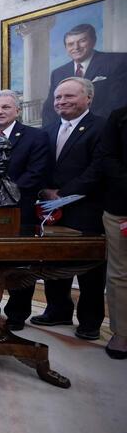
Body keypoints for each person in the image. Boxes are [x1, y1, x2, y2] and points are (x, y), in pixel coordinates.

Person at [31, 77, 106, 340]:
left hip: (86, 209)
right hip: (51, 210)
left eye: (69, 97)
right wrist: (44, 191)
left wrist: (63, 193)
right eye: (58, 97)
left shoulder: (101, 127)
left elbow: (98, 169)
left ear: (88, 98)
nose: (61, 101)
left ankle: (90, 321)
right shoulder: (47, 131)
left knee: (91, 270)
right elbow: (38, 167)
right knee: (54, 262)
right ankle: (57, 310)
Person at [0, 90, 52, 330]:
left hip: (19, 212)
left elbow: (36, 174)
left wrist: (3, 194)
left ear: (17, 111)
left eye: (5, 107)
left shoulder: (36, 137)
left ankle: (16, 314)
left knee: (20, 265)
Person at [40, 23, 127, 126]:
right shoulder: (58, 73)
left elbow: (119, 102)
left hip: (105, 129)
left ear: (93, 41)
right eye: (71, 44)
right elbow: (49, 110)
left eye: (82, 41)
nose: (76, 47)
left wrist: (85, 127)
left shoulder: (118, 61)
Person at [98, 105, 127, 359]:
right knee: (120, 273)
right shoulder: (119, 116)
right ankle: (122, 334)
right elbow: (108, 158)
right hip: (122, 207)